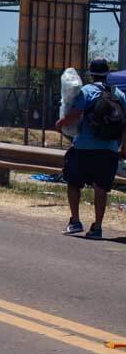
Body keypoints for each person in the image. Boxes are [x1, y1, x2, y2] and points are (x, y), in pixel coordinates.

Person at [55, 58, 126, 239]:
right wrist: (123, 147)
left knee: (73, 182)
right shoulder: (119, 94)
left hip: (84, 147)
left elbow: (75, 114)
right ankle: (97, 228)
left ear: (91, 72)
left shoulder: (86, 91)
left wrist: (61, 123)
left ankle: (75, 221)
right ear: (108, 73)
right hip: (109, 149)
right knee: (101, 187)